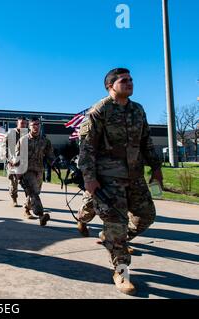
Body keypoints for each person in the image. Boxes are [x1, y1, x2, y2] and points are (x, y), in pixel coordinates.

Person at [78, 68, 163, 295]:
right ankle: (121, 271)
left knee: (146, 216)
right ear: (110, 85)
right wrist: (90, 178)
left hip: (135, 176)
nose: (130, 83)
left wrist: (156, 168)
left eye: (131, 80)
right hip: (108, 178)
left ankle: (113, 237)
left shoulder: (138, 110)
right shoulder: (100, 110)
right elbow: (86, 147)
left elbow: (146, 141)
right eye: (124, 80)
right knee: (116, 224)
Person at [13, 117, 55, 225]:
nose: (36, 126)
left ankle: (26, 209)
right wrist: (17, 172)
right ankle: (41, 216)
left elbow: (50, 156)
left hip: (39, 171)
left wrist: (55, 164)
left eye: (37, 124)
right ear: (29, 126)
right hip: (26, 171)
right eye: (33, 125)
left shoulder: (45, 141)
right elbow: (17, 157)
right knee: (34, 193)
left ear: (40, 126)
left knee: (33, 193)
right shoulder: (23, 140)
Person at [0, 116, 28, 208]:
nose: (23, 125)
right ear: (17, 124)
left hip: (25, 163)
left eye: (25, 123)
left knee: (28, 183)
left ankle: (28, 202)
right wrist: (8, 158)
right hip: (13, 162)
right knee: (13, 183)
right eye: (21, 123)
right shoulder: (10, 133)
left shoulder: (28, 134)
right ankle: (14, 199)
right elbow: (3, 145)